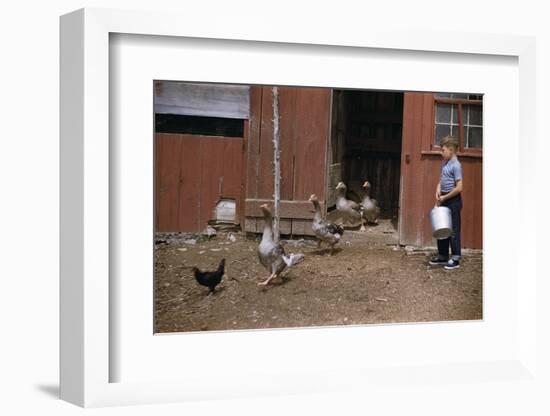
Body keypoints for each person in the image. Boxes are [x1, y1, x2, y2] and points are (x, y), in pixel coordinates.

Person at [429, 136, 463, 270]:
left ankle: (455, 258)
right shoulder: (445, 163)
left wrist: (446, 197)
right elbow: (441, 180)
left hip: (453, 200)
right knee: (441, 227)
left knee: (453, 230)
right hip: (443, 198)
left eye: (443, 150)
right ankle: (443, 256)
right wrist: (438, 190)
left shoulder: (456, 165)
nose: (441, 152)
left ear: (451, 150)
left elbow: (459, 188)